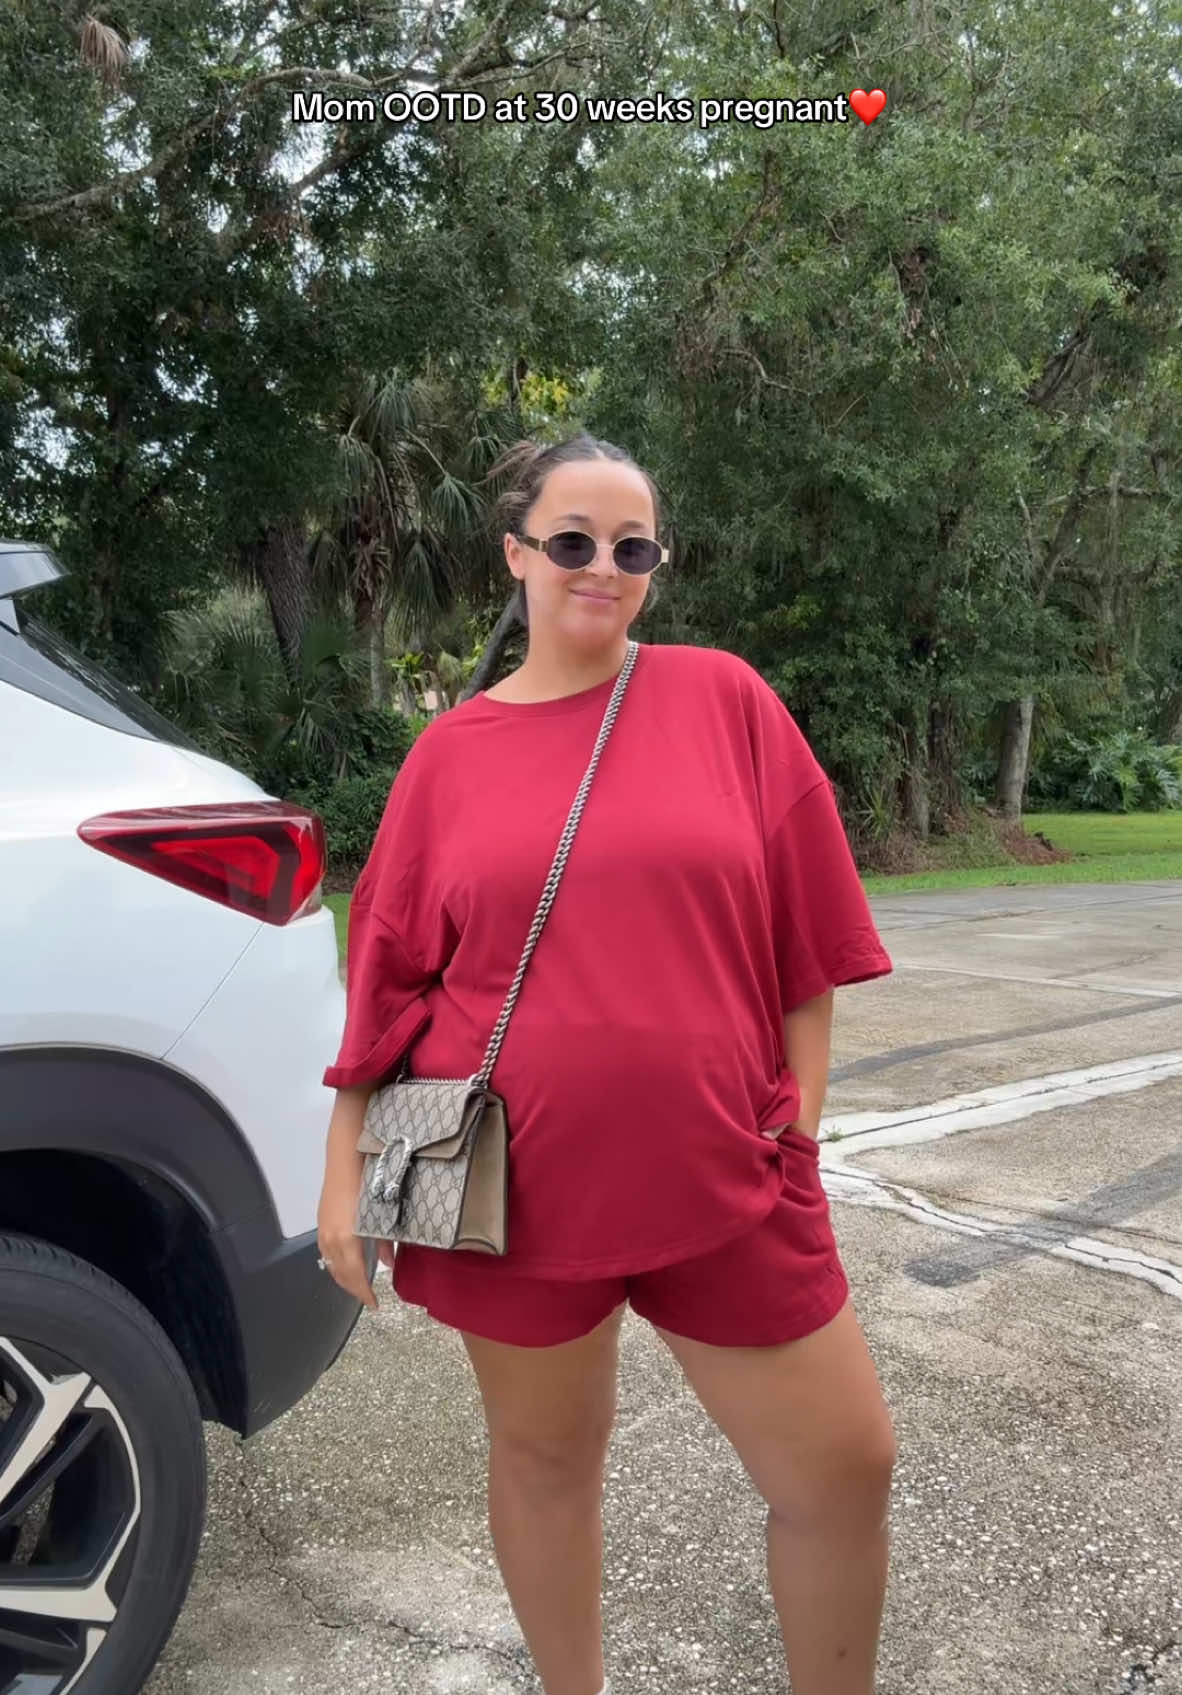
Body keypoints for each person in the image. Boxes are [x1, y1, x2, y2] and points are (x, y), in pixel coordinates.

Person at [316, 432, 899, 1695]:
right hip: (509, 1191)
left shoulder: (723, 699)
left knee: (846, 1469)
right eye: (573, 540)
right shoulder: (448, 754)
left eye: (632, 547)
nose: (602, 566)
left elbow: (807, 935)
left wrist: (799, 1122)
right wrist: (341, 1172)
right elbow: (390, 979)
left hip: (730, 1171)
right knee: (545, 1464)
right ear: (516, 554)